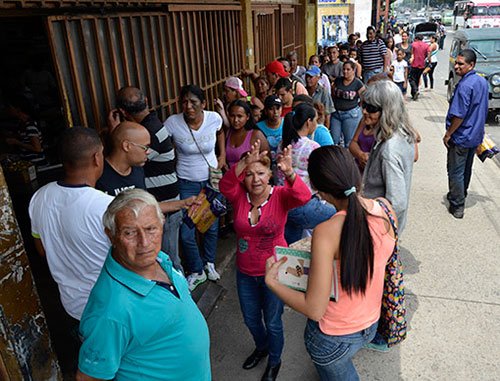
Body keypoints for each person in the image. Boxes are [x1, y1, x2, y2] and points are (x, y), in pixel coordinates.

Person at [265, 145, 397, 381]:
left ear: (317, 189)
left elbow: (314, 309)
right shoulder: (385, 209)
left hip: (334, 337)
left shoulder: (326, 232)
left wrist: (273, 282)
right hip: (372, 324)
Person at [76, 189, 210, 381]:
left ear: (162, 223)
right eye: (129, 233)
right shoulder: (110, 311)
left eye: (150, 229)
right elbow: (88, 378)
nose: (144, 243)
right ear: (111, 236)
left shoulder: (159, 259)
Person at [219, 140, 310, 381]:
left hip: (276, 272)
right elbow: (225, 184)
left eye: (260, 173)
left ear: (271, 175)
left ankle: (275, 360)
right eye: (249, 174)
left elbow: (303, 196)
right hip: (245, 271)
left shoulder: (280, 195)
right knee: (250, 318)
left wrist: (289, 172)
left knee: (273, 321)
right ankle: (262, 347)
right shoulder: (239, 196)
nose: (255, 179)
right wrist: (243, 163)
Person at [29, 127, 113, 320]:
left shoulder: (39, 197)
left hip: (72, 305)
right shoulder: (105, 206)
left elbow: (42, 249)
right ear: (96, 158)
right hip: (110, 307)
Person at [96, 121, 196, 270]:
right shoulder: (100, 177)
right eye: (145, 147)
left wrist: (183, 203)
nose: (148, 152)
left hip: (140, 257)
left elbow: (146, 208)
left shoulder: (138, 171)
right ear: (127, 146)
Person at [111, 87, 185, 270]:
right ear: (146, 100)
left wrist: (115, 134)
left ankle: (180, 296)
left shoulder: (147, 133)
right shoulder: (153, 125)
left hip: (165, 206)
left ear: (123, 112)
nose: (145, 151)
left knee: (168, 263)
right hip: (164, 203)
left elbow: (128, 159)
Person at [164, 84, 226, 290]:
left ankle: (209, 263)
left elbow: (221, 132)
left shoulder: (213, 118)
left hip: (210, 182)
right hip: (186, 182)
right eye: (184, 102)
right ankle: (197, 270)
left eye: (193, 102)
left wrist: (222, 156)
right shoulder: (173, 123)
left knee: (211, 224)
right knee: (187, 231)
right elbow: (165, 146)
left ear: (203, 104)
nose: (188, 107)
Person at [361, 80, 417, 234]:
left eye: (371, 108)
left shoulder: (389, 149)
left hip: (379, 227)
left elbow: (397, 203)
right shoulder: (398, 134)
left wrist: (383, 233)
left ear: (387, 110)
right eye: (364, 105)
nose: (365, 111)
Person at [276, 103, 336, 244]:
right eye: (315, 120)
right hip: (302, 204)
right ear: (308, 122)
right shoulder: (311, 147)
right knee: (338, 215)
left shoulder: (282, 143)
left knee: (292, 243)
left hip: (284, 204)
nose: (317, 123)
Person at [444, 49, 489, 219]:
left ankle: (457, 203)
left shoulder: (464, 86)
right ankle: (460, 195)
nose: (456, 66)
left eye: (460, 64)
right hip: (475, 135)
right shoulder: (482, 81)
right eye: (456, 63)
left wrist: (448, 134)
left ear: (471, 65)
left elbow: (459, 115)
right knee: (466, 169)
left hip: (461, 137)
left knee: (455, 171)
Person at [6, 95, 48, 167]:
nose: (8, 110)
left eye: (10, 108)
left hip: (38, 165)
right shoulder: (22, 123)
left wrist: (17, 142)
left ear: (18, 110)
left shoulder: (30, 126)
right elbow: (25, 137)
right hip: (30, 164)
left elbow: (37, 148)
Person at [331, 61, 366, 147]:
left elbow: (363, 99)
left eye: (348, 69)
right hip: (336, 113)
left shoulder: (358, 84)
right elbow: (333, 94)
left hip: (350, 114)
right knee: (334, 139)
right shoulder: (338, 81)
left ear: (353, 70)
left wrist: (357, 108)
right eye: (344, 69)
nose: (345, 71)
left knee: (349, 141)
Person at [226, 100, 269, 168]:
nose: (235, 120)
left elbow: (267, 159)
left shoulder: (256, 134)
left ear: (248, 116)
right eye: (232, 116)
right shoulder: (227, 133)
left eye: (239, 116)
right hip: (230, 177)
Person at [256, 95, 285, 163]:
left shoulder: (287, 124)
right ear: (265, 111)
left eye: (278, 108)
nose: (275, 112)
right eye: (271, 109)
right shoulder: (258, 127)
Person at [408, 35, 431, 101]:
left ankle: (415, 90)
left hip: (414, 64)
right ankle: (414, 93)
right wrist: (429, 62)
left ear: (416, 38)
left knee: (412, 79)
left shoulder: (413, 44)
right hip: (421, 65)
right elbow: (429, 54)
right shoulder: (426, 45)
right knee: (417, 79)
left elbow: (411, 53)